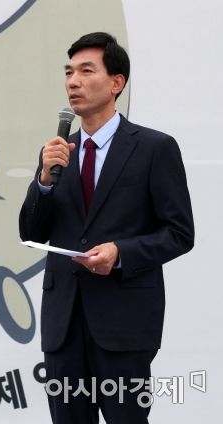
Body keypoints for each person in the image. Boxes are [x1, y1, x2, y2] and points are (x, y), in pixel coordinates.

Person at [19, 32, 194, 424]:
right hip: (64, 324)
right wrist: (44, 181)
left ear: (116, 82)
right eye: (69, 72)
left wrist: (120, 254)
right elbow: (31, 232)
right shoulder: (57, 152)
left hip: (124, 323)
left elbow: (180, 233)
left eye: (86, 71)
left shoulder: (154, 148)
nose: (73, 82)